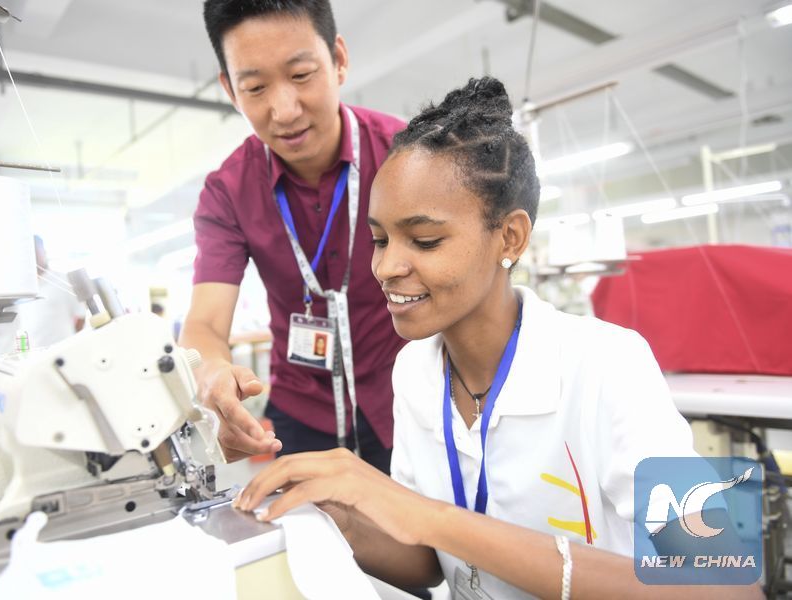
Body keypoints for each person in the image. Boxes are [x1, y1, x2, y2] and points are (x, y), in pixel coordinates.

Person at [232, 78, 761, 599]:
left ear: (510, 237)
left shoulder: (608, 363)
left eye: (425, 240)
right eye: (379, 239)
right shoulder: (413, 370)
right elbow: (430, 564)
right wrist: (344, 516)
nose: (387, 266)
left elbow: (727, 586)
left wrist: (430, 517)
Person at [179, 0, 406, 472]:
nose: (284, 111)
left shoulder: (406, 158)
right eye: (255, 87)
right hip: (301, 410)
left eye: (301, 75)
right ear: (230, 89)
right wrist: (214, 376)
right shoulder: (229, 191)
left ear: (338, 59)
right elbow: (205, 326)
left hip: (406, 396)